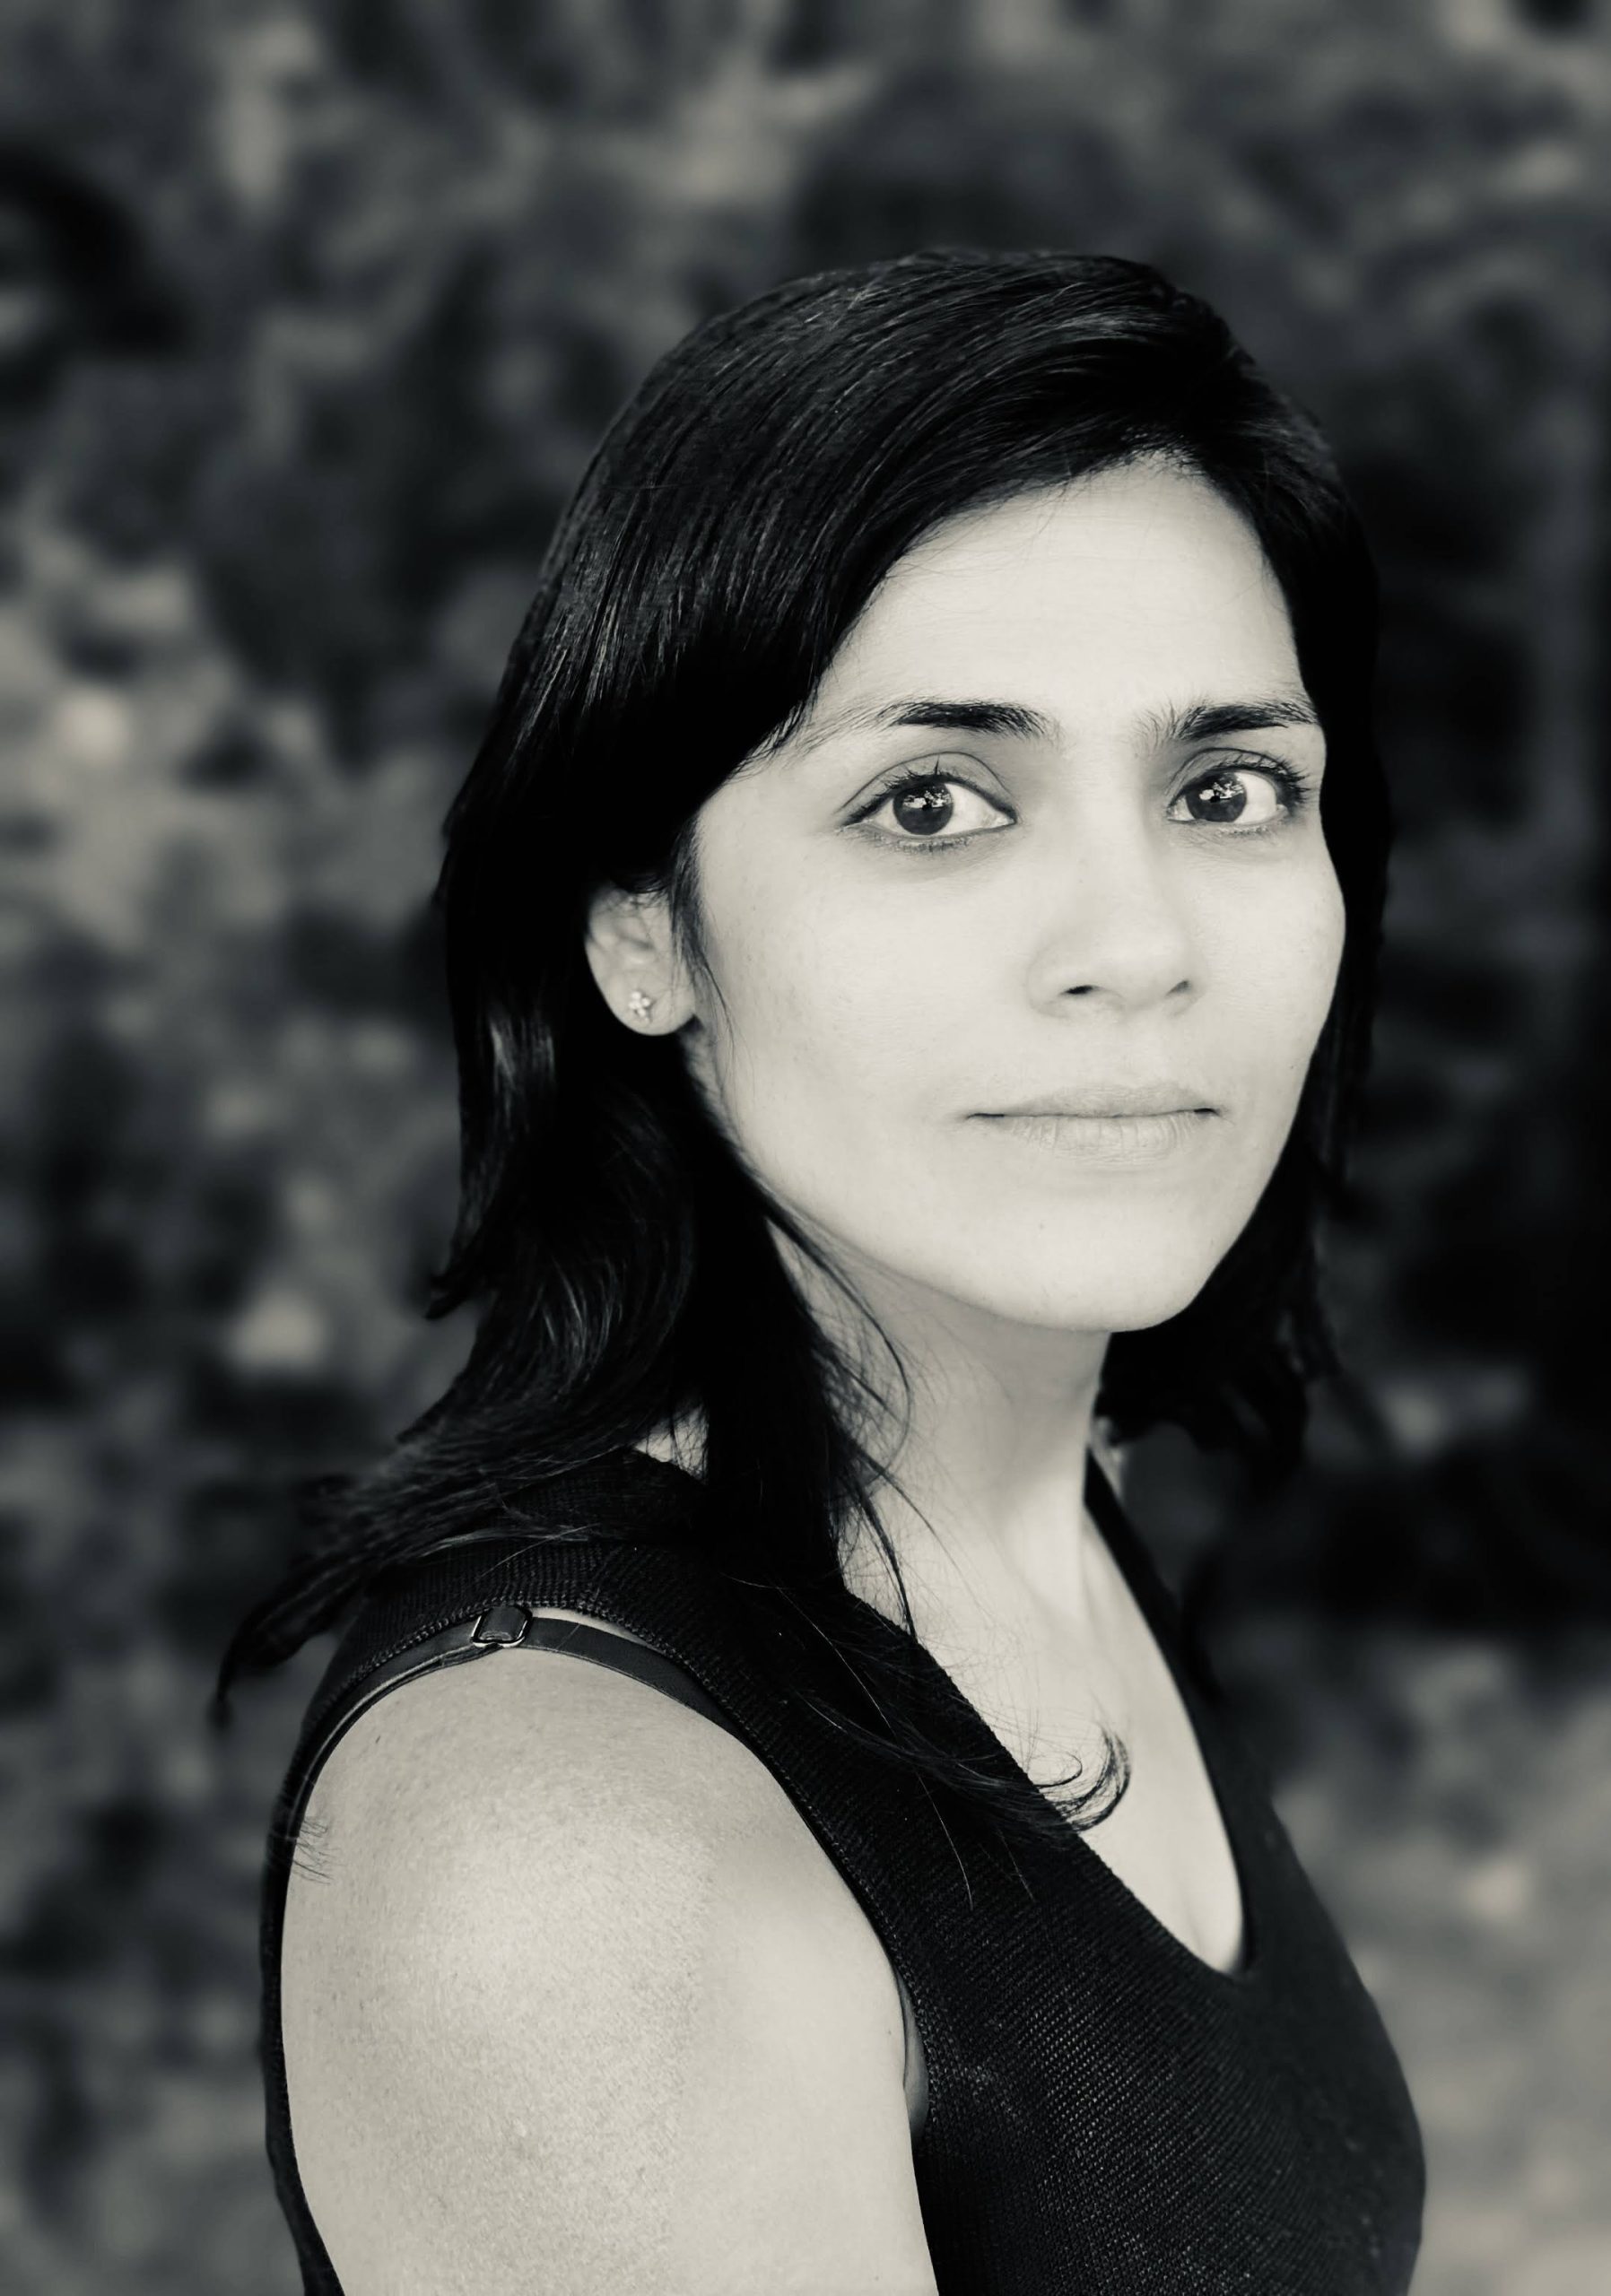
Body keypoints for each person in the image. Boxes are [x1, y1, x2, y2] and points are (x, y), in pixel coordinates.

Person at [221, 247, 1424, 2294]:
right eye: (932, 803)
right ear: (641, 928)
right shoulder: (577, 1856)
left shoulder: (1032, 1504)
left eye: (1227, 789)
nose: (1137, 943)